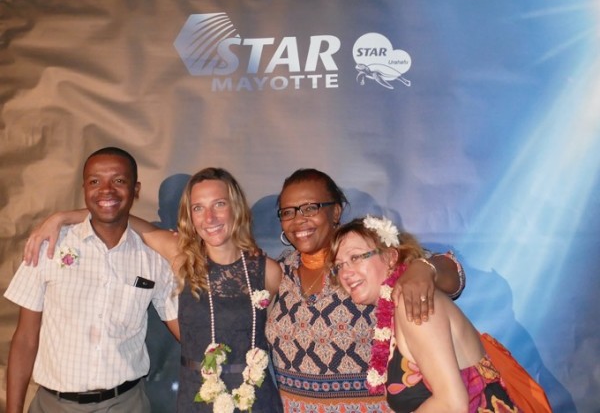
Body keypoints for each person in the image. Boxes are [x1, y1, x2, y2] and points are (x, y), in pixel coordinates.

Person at [21, 167, 284, 413]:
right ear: (190, 216)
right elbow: (117, 217)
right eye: (198, 208)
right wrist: (61, 217)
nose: (209, 217)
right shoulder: (181, 256)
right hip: (198, 395)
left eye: (219, 204)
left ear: (236, 207)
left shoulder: (268, 272)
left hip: (256, 397)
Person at [265, 169, 466, 412]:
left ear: (335, 211)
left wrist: (426, 268)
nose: (299, 219)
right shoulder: (279, 272)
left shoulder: (368, 260)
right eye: (288, 212)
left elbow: (453, 275)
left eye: (310, 208)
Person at [4, 147, 179, 413]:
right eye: (95, 181)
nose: (106, 190)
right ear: (84, 188)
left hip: (126, 404)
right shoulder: (48, 245)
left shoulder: (154, 259)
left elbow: (185, 331)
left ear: (136, 189)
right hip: (53, 405)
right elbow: (25, 338)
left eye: (119, 180)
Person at [329, 215, 551, 413]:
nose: (345, 272)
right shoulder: (399, 307)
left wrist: (427, 267)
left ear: (390, 256)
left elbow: (452, 405)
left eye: (355, 257)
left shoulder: (412, 302)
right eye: (339, 266)